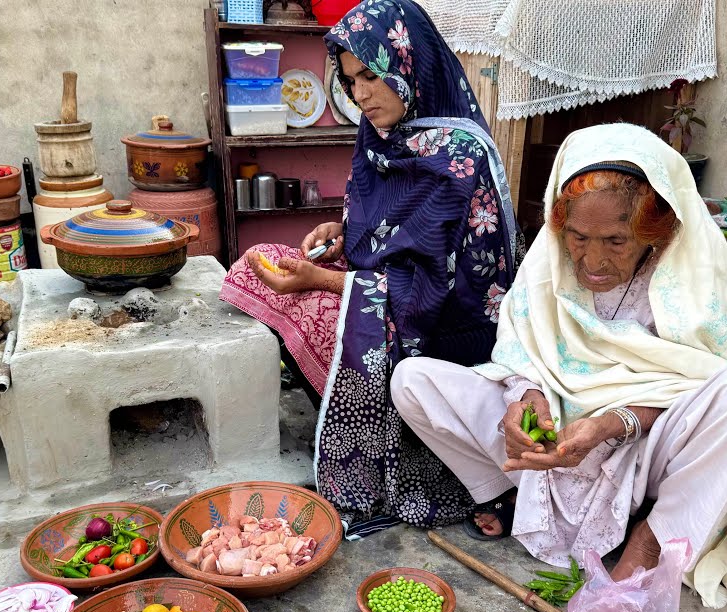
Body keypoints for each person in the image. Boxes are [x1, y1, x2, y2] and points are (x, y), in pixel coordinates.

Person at [391, 123, 727, 606]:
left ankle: (648, 544)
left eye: (616, 241)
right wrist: (528, 403)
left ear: (654, 230)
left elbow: (700, 382)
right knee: (413, 380)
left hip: (646, 451)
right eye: (578, 237)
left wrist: (610, 424)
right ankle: (514, 498)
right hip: (552, 448)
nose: (592, 261)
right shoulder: (550, 259)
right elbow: (522, 351)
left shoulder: (691, 270)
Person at [219, 0, 520, 536]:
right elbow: (380, 227)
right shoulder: (379, 134)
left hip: (444, 329)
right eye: (350, 79)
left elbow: (440, 287)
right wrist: (340, 237)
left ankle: (405, 455)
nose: (360, 95)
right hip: (380, 293)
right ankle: (338, 398)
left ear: (407, 65)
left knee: (311, 305)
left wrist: (324, 281)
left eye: (372, 77)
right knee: (251, 268)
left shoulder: (459, 156)